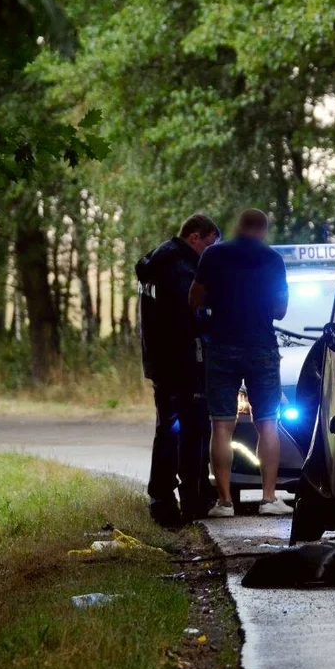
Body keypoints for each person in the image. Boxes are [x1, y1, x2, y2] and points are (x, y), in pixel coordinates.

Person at [190, 208, 292, 517]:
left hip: (221, 348)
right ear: (263, 229)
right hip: (261, 347)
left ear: (238, 226)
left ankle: (224, 502)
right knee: (268, 424)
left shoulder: (213, 256)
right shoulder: (273, 260)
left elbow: (194, 300)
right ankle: (269, 498)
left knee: (221, 426)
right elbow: (281, 310)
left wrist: (216, 304)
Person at [136, 213, 221, 526]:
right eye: (208, 245)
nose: (208, 254)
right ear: (195, 237)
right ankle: (192, 498)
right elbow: (189, 316)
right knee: (194, 429)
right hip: (183, 359)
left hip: (162, 361)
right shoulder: (180, 267)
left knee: (169, 429)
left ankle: (163, 497)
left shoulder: (156, 263)